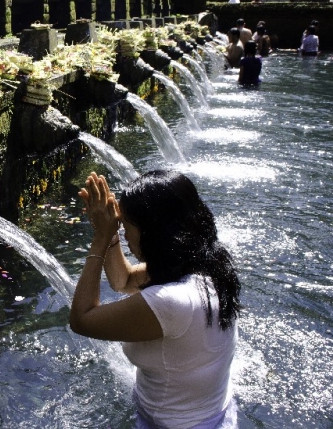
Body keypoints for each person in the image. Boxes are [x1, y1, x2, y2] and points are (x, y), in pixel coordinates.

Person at [71, 171, 241, 429]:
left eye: (127, 225)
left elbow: (82, 320)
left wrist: (100, 239)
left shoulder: (173, 302)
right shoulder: (206, 265)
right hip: (212, 414)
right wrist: (110, 234)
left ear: (154, 230)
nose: (125, 232)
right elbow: (124, 281)